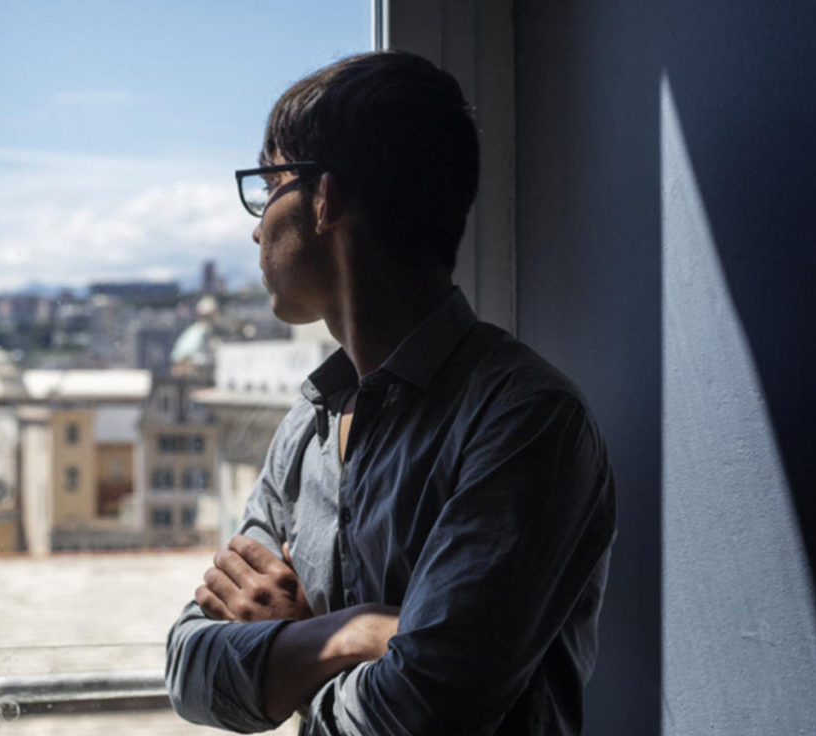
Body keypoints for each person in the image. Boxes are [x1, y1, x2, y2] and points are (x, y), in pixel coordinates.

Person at [165, 50, 616, 735]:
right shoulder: (309, 423)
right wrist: (347, 635)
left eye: (269, 183)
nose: (256, 226)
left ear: (326, 199)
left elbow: (420, 716)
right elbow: (190, 669)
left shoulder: (522, 420)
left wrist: (290, 652)